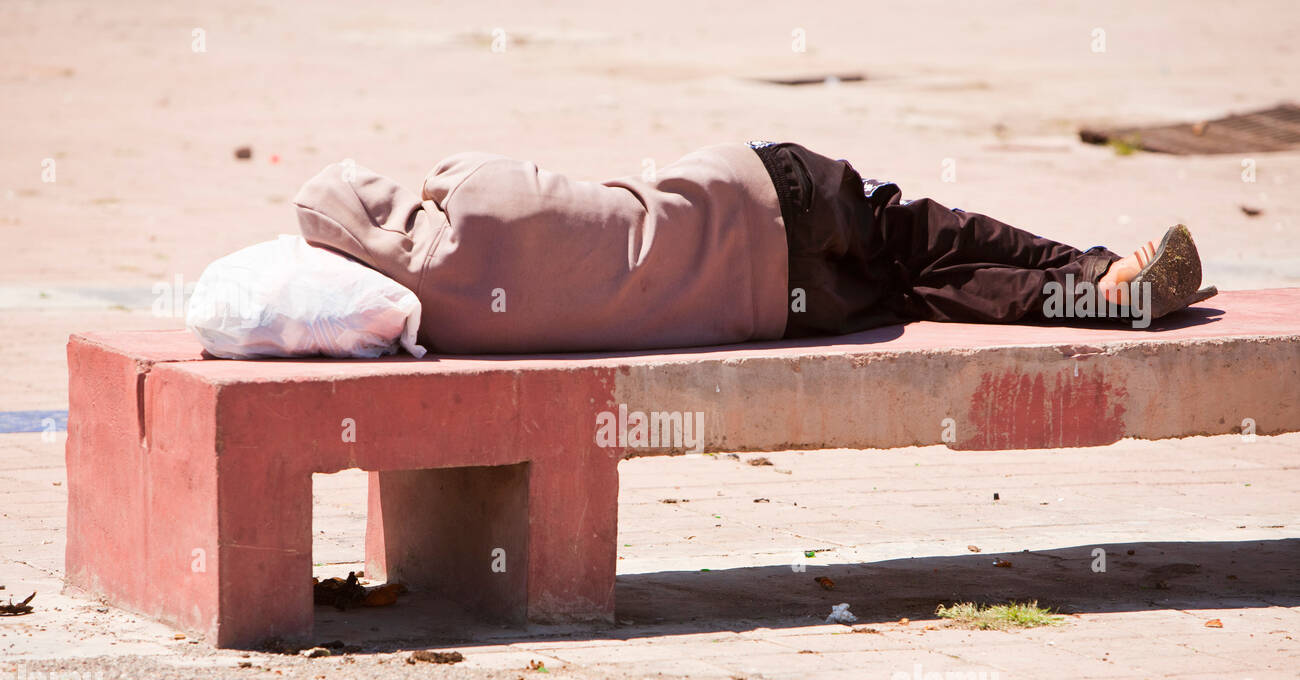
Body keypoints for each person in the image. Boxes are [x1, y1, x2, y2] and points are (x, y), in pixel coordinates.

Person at [292, 141, 1215, 355]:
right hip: (767, 199)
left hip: (780, 313)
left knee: (919, 290)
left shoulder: (440, 330)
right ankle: (1094, 268)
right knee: (921, 233)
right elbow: (521, 183)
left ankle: (1091, 296)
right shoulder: (475, 194)